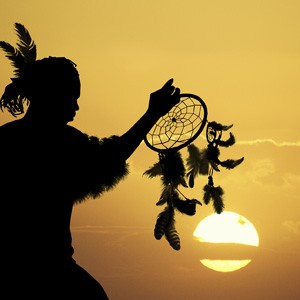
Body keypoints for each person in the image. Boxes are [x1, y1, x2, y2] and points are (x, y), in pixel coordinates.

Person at [0, 27, 180, 299]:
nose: (76, 107)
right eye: (71, 98)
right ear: (52, 96)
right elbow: (111, 157)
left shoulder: (7, 140)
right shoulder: (61, 142)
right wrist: (151, 114)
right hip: (49, 271)